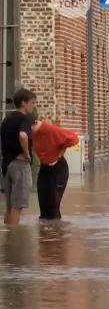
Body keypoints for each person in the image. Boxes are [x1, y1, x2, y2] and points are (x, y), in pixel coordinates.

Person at [31, 117, 79, 220]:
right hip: (44, 168)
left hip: (58, 168)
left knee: (53, 204)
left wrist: (62, 149)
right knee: (44, 204)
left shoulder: (49, 129)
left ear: (34, 124)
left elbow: (73, 137)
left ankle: (56, 232)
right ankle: (45, 233)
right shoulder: (32, 134)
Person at [0, 88, 36, 225]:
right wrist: (27, 154)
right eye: (32, 103)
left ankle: (8, 240)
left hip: (7, 166)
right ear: (23, 103)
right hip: (20, 165)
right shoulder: (24, 119)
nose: (33, 106)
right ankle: (14, 239)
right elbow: (23, 135)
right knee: (18, 206)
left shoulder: (6, 120)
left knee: (10, 207)